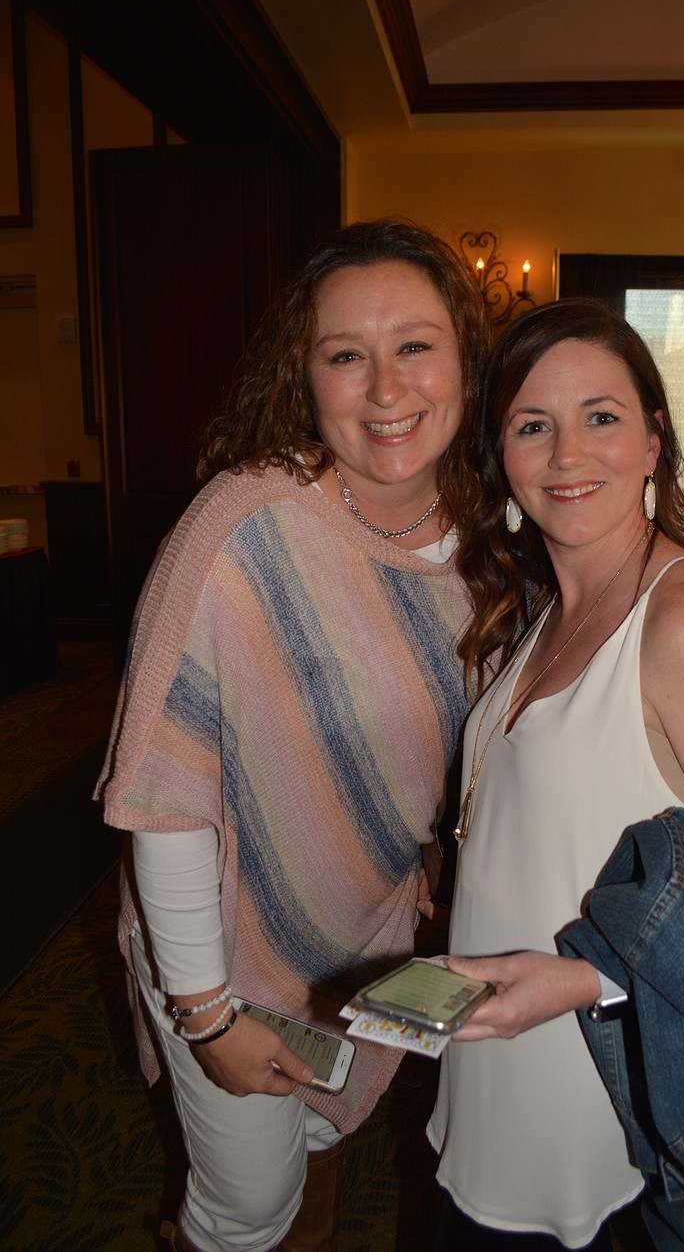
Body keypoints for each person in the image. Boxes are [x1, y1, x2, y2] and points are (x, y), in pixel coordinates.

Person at [95, 218, 491, 1252]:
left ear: (464, 360)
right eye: (344, 355)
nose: (385, 387)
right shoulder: (239, 529)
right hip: (220, 943)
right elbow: (166, 798)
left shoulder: (498, 540)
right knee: (246, 1207)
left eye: (414, 345)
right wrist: (206, 1014)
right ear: (302, 377)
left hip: (367, 926)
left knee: (311, 1146)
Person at [426, 297, 684, 1251]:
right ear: (503, 457)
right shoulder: (548, 608)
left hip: (615, 1113)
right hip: (500, 1072)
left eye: (601, 417)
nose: (568, 453)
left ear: (654, 441)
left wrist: (581, 982)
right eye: (534, 424)